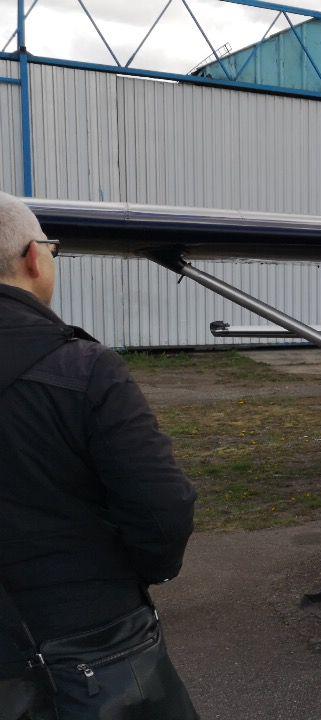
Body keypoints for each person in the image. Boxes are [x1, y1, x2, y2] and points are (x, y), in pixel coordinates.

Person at [0, 192, 199, 718]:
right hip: (95, 647)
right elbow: (163, 510)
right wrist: (135, 574)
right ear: (33, 257)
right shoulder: (85, 370)